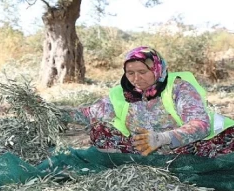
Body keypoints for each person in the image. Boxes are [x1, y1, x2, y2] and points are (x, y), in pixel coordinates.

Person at [61, 46, 234, 157]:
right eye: (130, 73)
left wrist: (162, 138)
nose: (136, 78)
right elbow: (87, 114)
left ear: (157, 69)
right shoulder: (122, 93)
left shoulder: (179, 88)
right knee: (99, 130)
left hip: (191, 144)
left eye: (143, 71)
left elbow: (200, 125)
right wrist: (52, 112)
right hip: (146, 148)